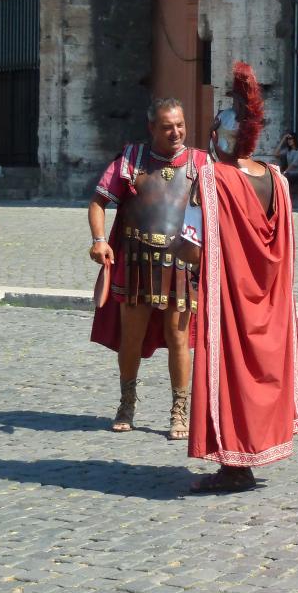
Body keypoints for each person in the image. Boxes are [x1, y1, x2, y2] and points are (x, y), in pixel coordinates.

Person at [179, 61, 298, 493]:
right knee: (258, 370)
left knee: (230, 370)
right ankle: (249, 457)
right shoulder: (277, 180)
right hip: (268, 301)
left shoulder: (213, 179)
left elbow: (192, 245)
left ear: (220, 137)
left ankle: (234, 466)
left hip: (231, 296)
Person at [88, 97, 209, 439]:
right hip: (137, 260)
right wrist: (99, 239)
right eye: (168, 126)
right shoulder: (132, 159)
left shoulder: (201, 163)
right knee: (132, 336)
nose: (176, 132)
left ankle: (179, 411)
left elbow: (221, 210)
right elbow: (98, 201)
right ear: (152, 127)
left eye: (180, 125)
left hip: (182, 264)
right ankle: (127, 403)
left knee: (179, 336)